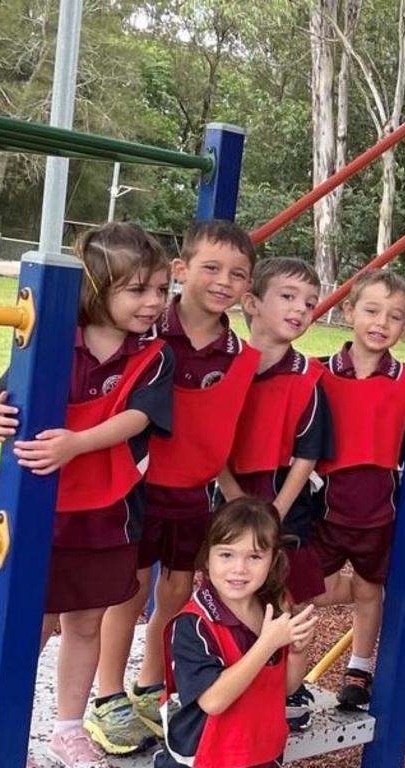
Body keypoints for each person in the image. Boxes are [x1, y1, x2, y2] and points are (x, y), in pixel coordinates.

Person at [0, 222, 174, 767]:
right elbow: (5, 394)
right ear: (96, 287)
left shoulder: (153, 355)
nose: (154, 302)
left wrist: (77, 443)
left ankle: (68, 724)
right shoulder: (48, 340)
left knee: (87, 619)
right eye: (138, 290)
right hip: (39, 509)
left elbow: (142, 416)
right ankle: (2, 706)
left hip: (107, 510)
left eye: (161, 290)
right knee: (30, 618)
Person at [93, 219, 258, 754]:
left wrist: (234, 492)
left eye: (237, 274)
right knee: (129, 591)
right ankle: (107, 696)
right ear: (182, 270)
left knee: (178, 592)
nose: (223, 281)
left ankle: (148, 682)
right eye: (211, 268)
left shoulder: (238, 352)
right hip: (138, 487)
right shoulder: (147, 330)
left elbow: (223, 434)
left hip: (194, 492)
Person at [312, 269, 405, 710]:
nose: (381, 323)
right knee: (305, 590)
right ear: (348, 311)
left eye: (395, 316)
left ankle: (359, 669)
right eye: (372, 310)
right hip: (326, 505)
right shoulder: (319, 373)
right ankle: (286, 671)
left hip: (379, 507)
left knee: (368, 588)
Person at [216, 257, 331, 730]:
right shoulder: (225, 366)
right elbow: (211, 440)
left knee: (290, 589)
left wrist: (274, 513)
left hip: (284, 498)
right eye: (287, 297)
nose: (300, 309)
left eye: (308, 302)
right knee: (231, 582)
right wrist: (235, 499)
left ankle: (286, 680)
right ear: (252, 304)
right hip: (229, 493)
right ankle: (226, 670)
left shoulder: (308, 375)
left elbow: (307, 455)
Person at [154, 497, 318, 768]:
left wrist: (298, 653)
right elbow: (213, 701)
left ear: (273, 560)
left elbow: (285, 687)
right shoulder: (194, 624)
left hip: (259, 751)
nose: (239, 569)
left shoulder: (275, 607)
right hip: (204, 758)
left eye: (254, 556)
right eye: (226, 554)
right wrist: (267, 644)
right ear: (207, 558)